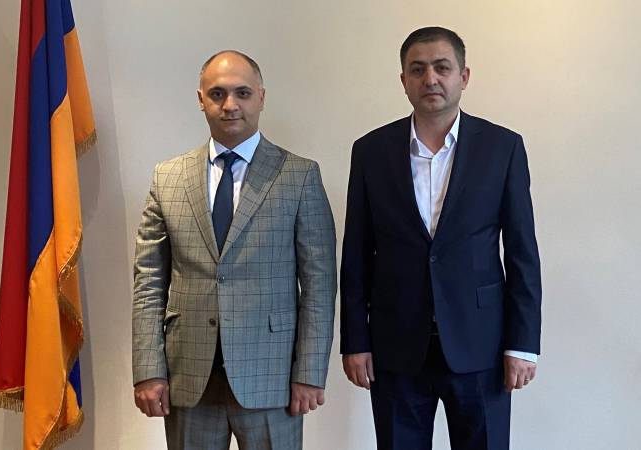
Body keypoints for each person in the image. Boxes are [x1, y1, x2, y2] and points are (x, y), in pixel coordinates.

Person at [340, 27, 541, 450]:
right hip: (395, 347)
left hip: (481, 346)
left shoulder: (502, 147)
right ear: (403, 81)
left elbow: (522, 252)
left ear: (463, 76)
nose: (430, 78)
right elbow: (356, 254)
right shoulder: (371, 151)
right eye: (418, 70)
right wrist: (355, 341)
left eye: (442, 67)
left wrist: (522, 345)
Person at [132, 50, 337, 450]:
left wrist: (310, 372)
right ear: (200, 99)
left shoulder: (299, 176)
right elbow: (148, 283)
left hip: (273, 378)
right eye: (217, 94)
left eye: (242, 93)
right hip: (188, 377)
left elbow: (319, 284)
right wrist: (148, 369)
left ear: (261, 97)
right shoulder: (167, 177)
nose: (230, 105)